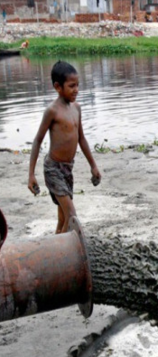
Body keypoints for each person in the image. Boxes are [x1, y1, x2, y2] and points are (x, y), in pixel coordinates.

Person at [28, 61, 102, 234]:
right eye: (71, 86)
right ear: (57, 87)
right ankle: (69, 252)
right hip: (53, 169)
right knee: (71, 215)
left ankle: (56, 252)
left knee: (63, 219)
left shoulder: (77, 108)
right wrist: (31, 174)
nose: (76, 89)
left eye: (77, 85)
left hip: (67, 169)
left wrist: (93, 165)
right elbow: (38, 140)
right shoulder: (52, 111)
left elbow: (81, 139)